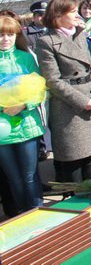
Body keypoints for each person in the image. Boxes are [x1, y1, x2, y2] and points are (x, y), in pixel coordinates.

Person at [35, 0, 91, 183]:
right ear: (58, 16)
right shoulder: (46, 41)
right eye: (72, 12)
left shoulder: (79, 34)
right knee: (73, 164)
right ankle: (78, 206)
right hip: (69, 108)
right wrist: (83, 102)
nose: (77, 15)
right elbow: (53, 81)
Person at [0, 16, 46, 215]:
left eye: (10, 34)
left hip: (27, 126)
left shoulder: (26, 58)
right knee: (13, 178)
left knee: (30, 176)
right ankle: (21, 216)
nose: (5, 39)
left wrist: (25, 105)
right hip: (3, 130)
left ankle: (38, 213)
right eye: (1, 35)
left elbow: (41, 90)